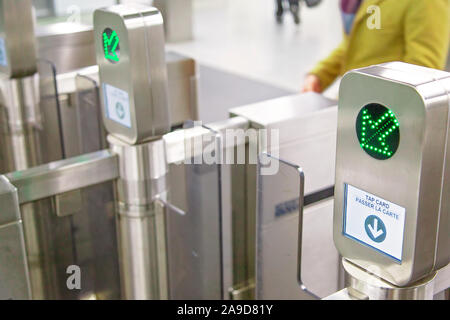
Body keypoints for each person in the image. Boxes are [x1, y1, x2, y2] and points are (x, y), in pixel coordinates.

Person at [302, 0, 450, 93]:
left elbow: (423, 71)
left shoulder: (429, 3)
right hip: (351, 106)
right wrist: (320, 75)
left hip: (382, 120)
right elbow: (354, 43)